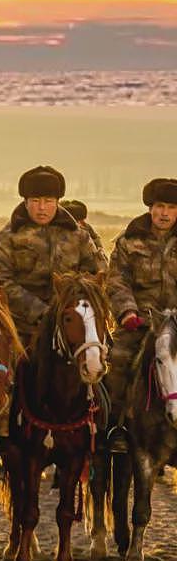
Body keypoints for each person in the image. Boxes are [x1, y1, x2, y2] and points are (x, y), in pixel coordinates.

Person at [0, 166, 105, 344]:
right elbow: (1, 282)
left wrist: (70, 307)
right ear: (25, 202)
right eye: (35, 201)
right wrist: (40, 311)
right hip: (20, 326)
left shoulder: (78, 236)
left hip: (73, 322)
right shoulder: (7, 238)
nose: (42, 208)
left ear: (58, 202)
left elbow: (96, 274)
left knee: (104, 360)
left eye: (49, 201)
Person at [104, 177, 177, 452]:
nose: (165, 213)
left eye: (171, 207)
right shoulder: (128, 241)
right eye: (160, 206)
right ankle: (116, 427)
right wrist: (127, 312)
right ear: (150, 207)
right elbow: (117, 280)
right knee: (117, 362)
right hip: (138, 323)